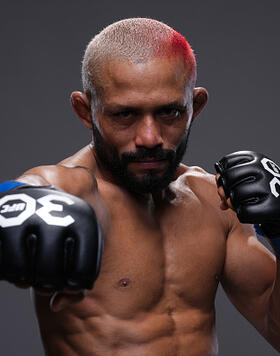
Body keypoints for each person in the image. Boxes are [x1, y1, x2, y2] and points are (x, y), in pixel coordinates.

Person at [1, 17, 280, 356]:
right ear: (86, 111)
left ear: (196, 107)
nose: (149, 138)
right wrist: (15, 201)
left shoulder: (216, 204)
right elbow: (33, 187)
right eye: (125, 115)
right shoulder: (72, 194)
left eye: (169, 113)